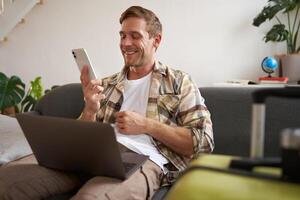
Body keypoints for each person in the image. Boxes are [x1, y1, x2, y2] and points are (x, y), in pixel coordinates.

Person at [0, 5, 213, 200]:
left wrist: (147, 125)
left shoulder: (179, 82)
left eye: (135, 36)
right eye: (122, 35)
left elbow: (202, 142)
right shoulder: (107, 84)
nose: (125, 43)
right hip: (93, 155)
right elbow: (81, 136)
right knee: (6, 179)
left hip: (143, 158)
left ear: (156, 41)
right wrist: (90, 109)